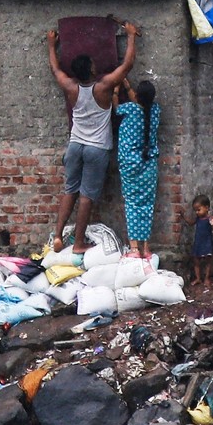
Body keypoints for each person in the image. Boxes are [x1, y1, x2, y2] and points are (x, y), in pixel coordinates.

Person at [47, 22, 139, 255]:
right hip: (97, 149)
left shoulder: (70, 87)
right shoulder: (103, 87)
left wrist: (51, 45)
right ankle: (78, 243)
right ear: (90, 70)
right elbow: (127, 65)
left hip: (75, 145)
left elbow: (56, 70)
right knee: (86, 197)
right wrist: (130, 37)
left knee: (70, 190)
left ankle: (58, 235)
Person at [116, 78, 160, 258]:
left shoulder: (129, 109)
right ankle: (146, 248)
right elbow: (142, 105)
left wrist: (117, 91)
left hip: (130, 164)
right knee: (147, 205)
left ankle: (134, 248)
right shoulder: (156, 111)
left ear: (137, 97)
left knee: (132, 203)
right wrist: (128, 86)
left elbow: (116, 108)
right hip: (149, 164)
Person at [188, 194, 213, 286]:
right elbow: (190, 223)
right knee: (196, 260)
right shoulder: (198, 218)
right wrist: (183, 215)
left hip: (207, 242)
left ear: (207, 208)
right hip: (198, 242)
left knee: (208, 260)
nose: (197, 212)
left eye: (199, 210)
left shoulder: (209, 219)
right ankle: (198, 278)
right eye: (195, 210)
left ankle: (207, 278)